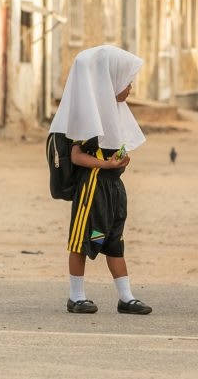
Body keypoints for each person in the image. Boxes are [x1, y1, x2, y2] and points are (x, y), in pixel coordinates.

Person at [49, 45, 152, 315]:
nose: (130, 87)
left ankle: (126, 297)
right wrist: (106, 164)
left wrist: (118, 163)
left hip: (113, 188)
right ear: (109, 81)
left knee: (115, 242)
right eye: (126, 80)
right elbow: (76, 155)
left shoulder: (115, 112)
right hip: (92, 187)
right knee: (81, 241)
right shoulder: (90, 113)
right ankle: (76, 295)